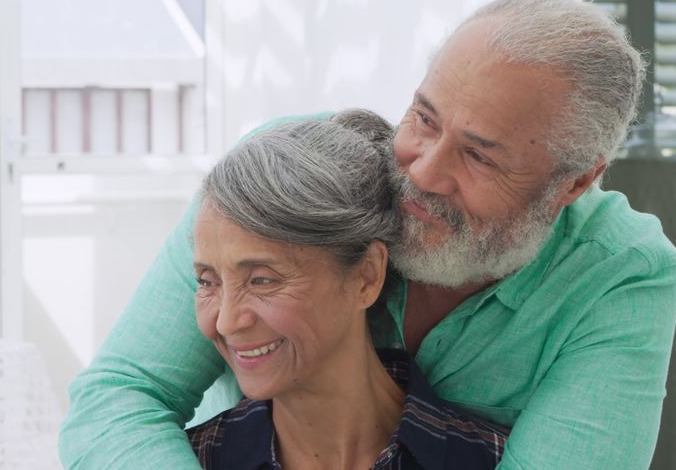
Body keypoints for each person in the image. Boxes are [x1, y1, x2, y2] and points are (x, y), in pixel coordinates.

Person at [59, 0, 676, 469]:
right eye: (423, 117)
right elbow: (121, 395)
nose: (423, 170)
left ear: (575, 183)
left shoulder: (621, 277)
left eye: (478, 156)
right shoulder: (292, 175)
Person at [186, 110, 509, 469]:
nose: (228, 322)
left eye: (262, 280)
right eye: (207, 282)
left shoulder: (494, 459)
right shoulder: (194, 458)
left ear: (367, 276)